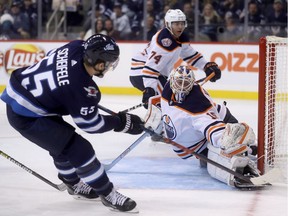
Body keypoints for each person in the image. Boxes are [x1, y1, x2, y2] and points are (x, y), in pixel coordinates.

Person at [0, 34, 143, 213]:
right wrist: (122, 122)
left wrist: (71, 97)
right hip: (26, 115)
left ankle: (73, 184)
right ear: (100, 64)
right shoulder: (82, 88)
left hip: (24, 93)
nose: (109, 67)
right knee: (79, 149)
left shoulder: (76, 46)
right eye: (110, 63)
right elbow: (91, 125)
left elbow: (55, 65)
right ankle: (108, 194)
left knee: (60, 143)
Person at [159, 65, 259, 188]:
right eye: (179, 82)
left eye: (185, 83)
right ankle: (248, 150)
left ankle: (251, 155)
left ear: (192, 84)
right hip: (196, 141)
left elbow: (213, 129)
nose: (181, 87)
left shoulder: (198, 107)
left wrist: (228, 142)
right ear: (172, 81)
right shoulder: (167, 89)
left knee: (231, 146)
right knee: (209, 159)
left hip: (221, 118)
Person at [129, 9, 221, 109]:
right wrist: (150, 89)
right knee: (166, 103)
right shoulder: (165, 42)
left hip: (154, 73)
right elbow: (150, 69)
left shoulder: (181, 37)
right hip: (141, 72)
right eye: (176, 24)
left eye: (182, 23)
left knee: (171, 102)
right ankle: (154, 123)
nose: (180, 27)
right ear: (168, 24)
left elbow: (190, 56)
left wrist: (206, 66)